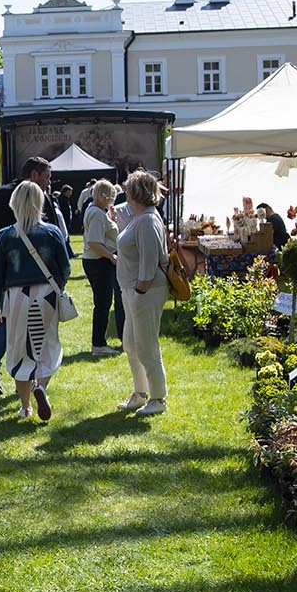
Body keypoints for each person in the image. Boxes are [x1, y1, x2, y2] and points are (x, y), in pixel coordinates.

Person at [0, 157, 68, 395]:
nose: (49, 182)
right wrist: (58, 284)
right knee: (44, 337)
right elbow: (63, 257)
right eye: (47, 176)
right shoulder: (43, 200)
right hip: (42, 284)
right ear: (35, 174)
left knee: (5, 326)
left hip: (6, 279)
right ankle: (38, 382)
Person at [116, 170, 170, 416]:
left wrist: (139, 292)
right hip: (134, 290)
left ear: (135, 192)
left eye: (127, 188)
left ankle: (158, 398)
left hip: (145, 290)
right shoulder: (140, 217)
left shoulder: (148, 220)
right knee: (131, 343)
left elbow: (149, 263)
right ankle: (140, 393)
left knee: (147, 346)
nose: (124, 192)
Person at [81, 179, 125, 357]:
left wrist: (111, 220)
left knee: (103, 302)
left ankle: (99, 342)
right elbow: (94, 242)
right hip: (99, 261)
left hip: (95, 260)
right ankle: (98, 343)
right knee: (103, 303)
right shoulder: (97, 214)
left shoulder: (96, 211)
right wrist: (111, 256)